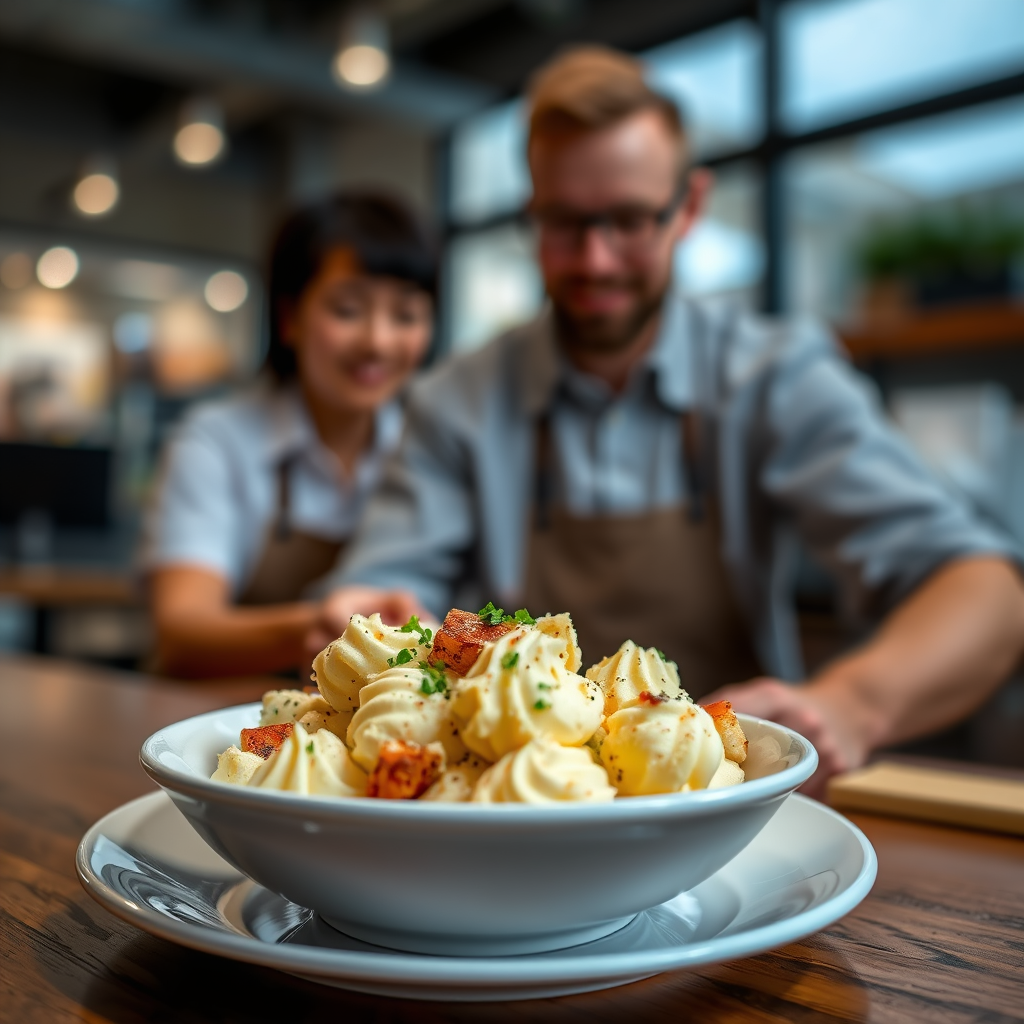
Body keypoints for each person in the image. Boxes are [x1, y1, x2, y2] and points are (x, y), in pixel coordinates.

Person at [314, 48, 1024, 793]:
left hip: (731, 798)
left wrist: (850, 703)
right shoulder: (455, 398)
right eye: (565, 222)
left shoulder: (773, 374)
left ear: (689, 207)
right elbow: (378, 598)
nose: (596, 259)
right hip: (512, 807)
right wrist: (375, 625)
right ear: (532, 214)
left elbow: (986, 591)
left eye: (629, 220)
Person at [144, 192, 432, 678]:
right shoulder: (214, 443)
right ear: (289, 319)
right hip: (218, 714)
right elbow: (181, 630)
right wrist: (319, 627)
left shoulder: (430, 452)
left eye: (405, 316)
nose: (378, 342)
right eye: (348, 310)